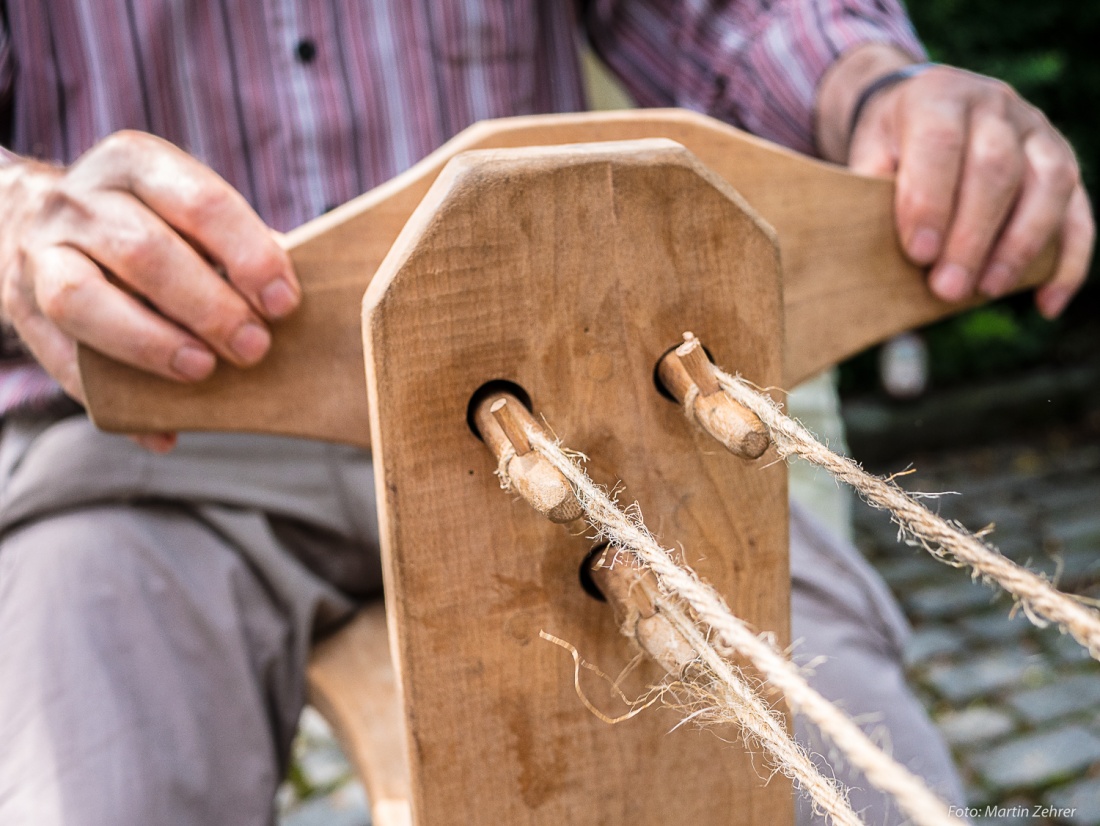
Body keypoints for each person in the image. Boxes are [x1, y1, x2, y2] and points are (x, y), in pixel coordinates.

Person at [0, 3, 1090, 825]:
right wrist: (17, 217)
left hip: (581, 403)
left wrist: (872, 86)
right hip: (166, 439)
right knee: (89, 790)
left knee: (863, 779)